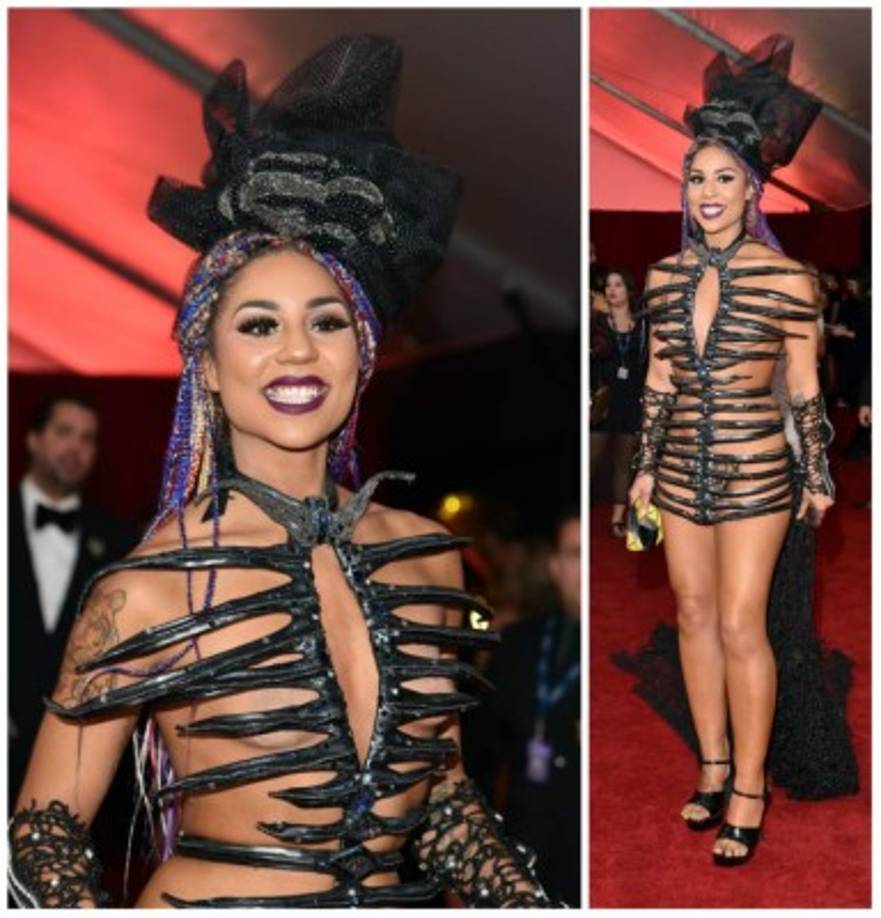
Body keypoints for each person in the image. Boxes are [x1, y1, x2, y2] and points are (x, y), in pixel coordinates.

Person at [9, 37, 558, 908]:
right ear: (210, 367)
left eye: (327, 322)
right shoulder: (148, 589)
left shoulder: (429, 557)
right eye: (259, 325)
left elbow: (441, 793)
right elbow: (42, 827)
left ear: (363, 353)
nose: (297, 350)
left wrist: (517, 896)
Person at [627, 35, 837, 866]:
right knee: (691, 616)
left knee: (745, 624)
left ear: (752, 188)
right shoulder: (661, 277)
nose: (706, 192)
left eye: (723, 178)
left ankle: (750, 785)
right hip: (677, 468)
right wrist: (641, 467)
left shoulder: (789, 283)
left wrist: (815, 474)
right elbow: (655, 380)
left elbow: (803, 387)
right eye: (694, 176)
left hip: (757, 466)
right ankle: (711, 763)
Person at [9, 395, 138, 804]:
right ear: (33, 439)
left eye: (88, 438)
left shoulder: (120, 541)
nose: (75, 448)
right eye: (64, 432)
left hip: (77, 765)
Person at [467, 508, 580, 904]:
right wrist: (467, 861)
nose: (582, 570)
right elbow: (477, 758)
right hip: (522, 855)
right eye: (573, 554)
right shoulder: (516, 645)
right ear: (554, 566)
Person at [590, 270, 646, 536]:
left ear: (628, 290)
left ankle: (616, 519)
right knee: (590, 458)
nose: (612, 290)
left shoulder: (641, 326)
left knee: (624, 463)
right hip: (603, 400)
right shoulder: (598, 322)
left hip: (631, 401)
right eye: (608, 285)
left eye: (618, 285)